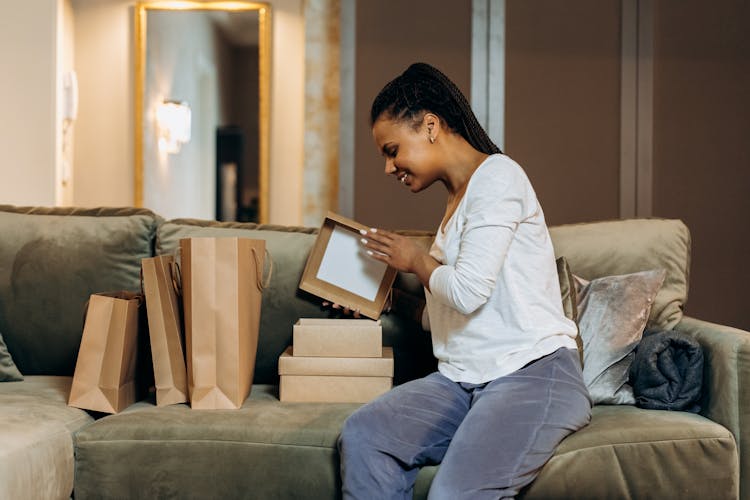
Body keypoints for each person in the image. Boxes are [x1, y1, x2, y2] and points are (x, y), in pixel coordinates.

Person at [336, 62, 592, 500]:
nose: (388, 166)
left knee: (455, 492)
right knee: (364, 435)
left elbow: (469, 293)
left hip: (534, 374)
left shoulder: (498, 177)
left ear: (431, 126)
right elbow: (450, 316)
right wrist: (385, 302)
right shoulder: (456, 203)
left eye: (392, 149)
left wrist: (415, 259)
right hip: (463, 380)